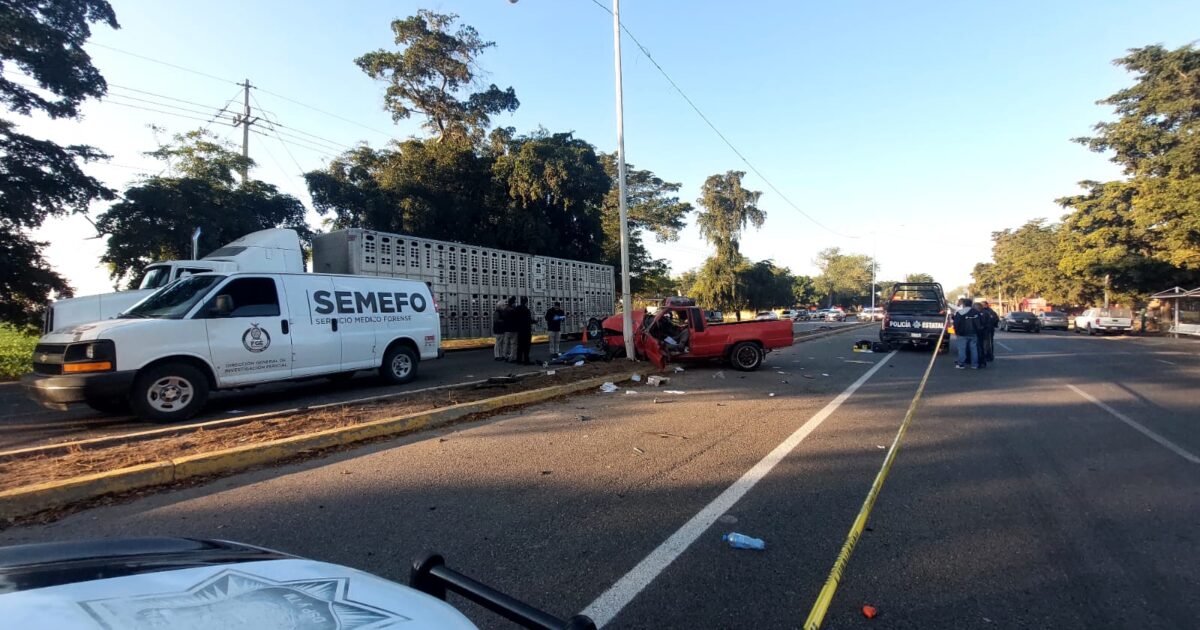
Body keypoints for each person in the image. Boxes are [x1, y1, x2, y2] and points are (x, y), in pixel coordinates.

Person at [951, 298, 981, 369]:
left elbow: (956, 323)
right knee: (974, 349)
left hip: (962, 334)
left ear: (964, 304)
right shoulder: (976, 312)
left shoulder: (960, 312)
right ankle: (974, 365)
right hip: (974, 333)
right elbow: (980, 323)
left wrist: (957, 332)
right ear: (971, 304)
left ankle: (961, 364)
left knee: (962, 349)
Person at [514, 295, 535, 365]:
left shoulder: (517, 309)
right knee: (526, 346)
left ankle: (519, 360)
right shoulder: (526, 310)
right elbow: (528, 320)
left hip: (519, 330)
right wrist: (534, 321)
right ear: (526, 302)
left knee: (520, 346)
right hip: (526, 330)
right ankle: (526, 360)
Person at [502, 296, 518, 362]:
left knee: (505, 343)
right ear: (512, 303)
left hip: (506, 330)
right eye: (514, 303)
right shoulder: (513, 310)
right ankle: (512, 357)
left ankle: (505, 356)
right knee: (513, 344)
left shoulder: (505, 310)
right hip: (513, 329)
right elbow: (516, 319)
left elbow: (503, 319)